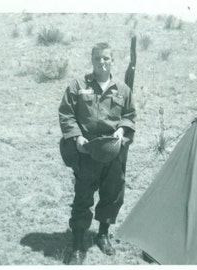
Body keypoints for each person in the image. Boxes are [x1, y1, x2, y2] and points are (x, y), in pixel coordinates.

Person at [58, 42, 136, 265]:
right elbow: (66, 114)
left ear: (112, 61)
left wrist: (122, 130)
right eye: (97, 59)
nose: (102, 62)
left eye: (106, 58)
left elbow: (129, 115)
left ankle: (103, 234)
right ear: (92, 61)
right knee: (83, 197)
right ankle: (78, 244)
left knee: (112, 194)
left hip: (113, 151)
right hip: (87, 151)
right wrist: (76, 137)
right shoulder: (78, 86)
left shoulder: (122, 90)